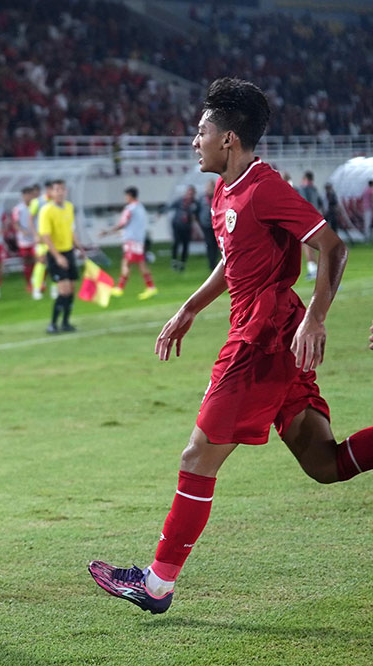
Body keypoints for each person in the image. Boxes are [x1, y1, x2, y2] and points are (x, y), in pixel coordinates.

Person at [88, 77, 367, 616]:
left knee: (197, 457)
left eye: (201, 132)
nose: (194, 141)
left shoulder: (264, 187)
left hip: (262, 339)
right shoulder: (226, 189)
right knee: (323, 462)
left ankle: (157, 584)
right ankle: (157, 581)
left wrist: (316, 316)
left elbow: (332, 249)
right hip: (267, 332)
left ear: (229, 141)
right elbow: (232, 260)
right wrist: (189, 308)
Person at [38, 179, 85, 333]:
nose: (59, 192)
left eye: (62, 189)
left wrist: (79, 247)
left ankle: (65, 322)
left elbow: (71, 230)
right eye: (56, 189)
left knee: (71, 289)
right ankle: (52, 324)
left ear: (66, 191)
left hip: (69, 252)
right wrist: (57, 256)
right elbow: (45, 236)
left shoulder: (69, 207)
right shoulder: (46, 210)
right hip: (55, 254)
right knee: (63, 290)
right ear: (51, 192)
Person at [99, 187, 157, 300]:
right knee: (140, 263)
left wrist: (107, 232)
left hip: (131, 241)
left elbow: (123, 223)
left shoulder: (130, 208)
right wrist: (124, 233)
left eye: (126, 196)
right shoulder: (141, 208)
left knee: (126, 263)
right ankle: (150, 287)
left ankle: (120, 288)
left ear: (129, 196)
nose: (125, 198)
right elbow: (135, 225)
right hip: (139, 240)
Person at [12, 185, 41, 295]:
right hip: (24, 240)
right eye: (27, 195)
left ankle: (39, 282)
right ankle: (29, 283)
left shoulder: (36, 206)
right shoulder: (18, 209)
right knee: (27, 262)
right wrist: (22, 230)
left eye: (31, 194)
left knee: (39, 260)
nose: (29, 197)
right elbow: (15, 223)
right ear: (23, 196)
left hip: (36, 238)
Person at [298, 171, 324, 279]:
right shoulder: (315, 189)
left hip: (306, 219)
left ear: (304, 178)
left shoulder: (303, 189)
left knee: (307, 245)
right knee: (316, 245)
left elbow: (302, 203)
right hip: (316, 218)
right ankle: (317, 269)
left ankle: (312, 269)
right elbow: (320, 204)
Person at [169, 186, 200, 272]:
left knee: (185, 245)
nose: (190, 195)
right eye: (189, 193)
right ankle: (174, 261)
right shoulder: (180, 201)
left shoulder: (195, 204)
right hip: (177, 225)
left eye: (192, 193)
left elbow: (197, 215)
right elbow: (170, 207)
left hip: (187, 227)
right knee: (176, 243)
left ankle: (182, 262)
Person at [199, 180, 220, 270]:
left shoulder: (217, 197)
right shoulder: (202, 199)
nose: (208, 189)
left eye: (211, 187)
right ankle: (211, 264)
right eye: (208, 187)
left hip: (216, 224)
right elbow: (197, 211)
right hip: (206, 225)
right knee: (209, 244)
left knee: (215, 245)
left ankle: (215, 263)